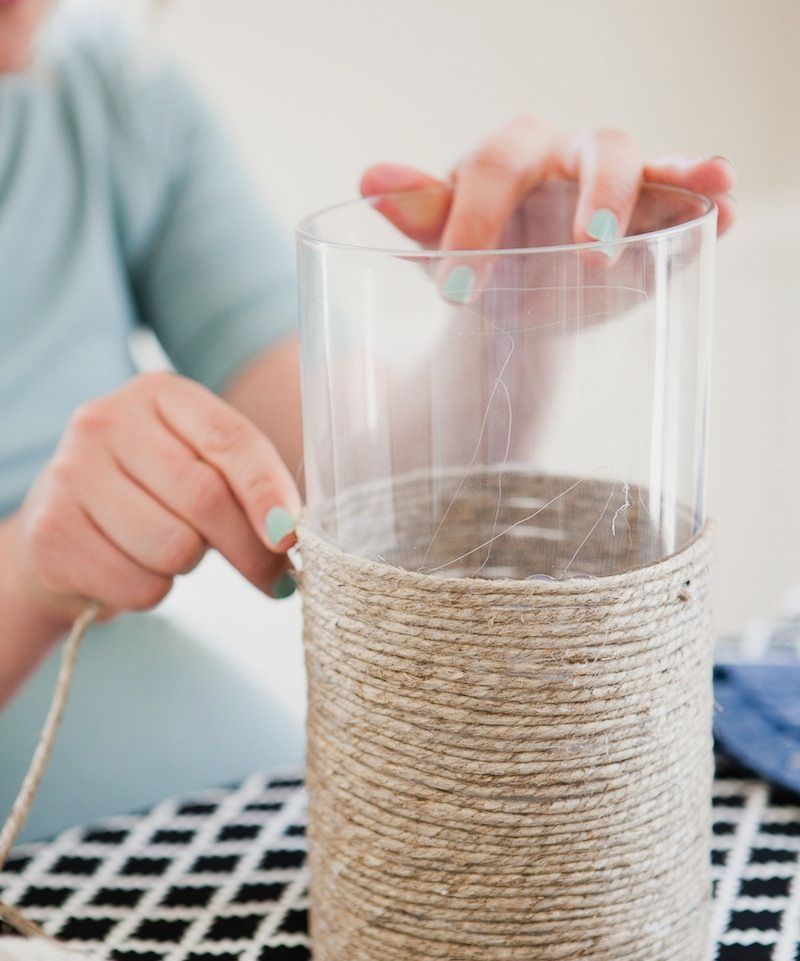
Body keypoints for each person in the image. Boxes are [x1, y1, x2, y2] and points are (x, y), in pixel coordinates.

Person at [0, 0, 736, 837]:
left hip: (199, 777)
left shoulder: (115, 88)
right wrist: (26, 574)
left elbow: (362, 487)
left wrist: (510, 320)